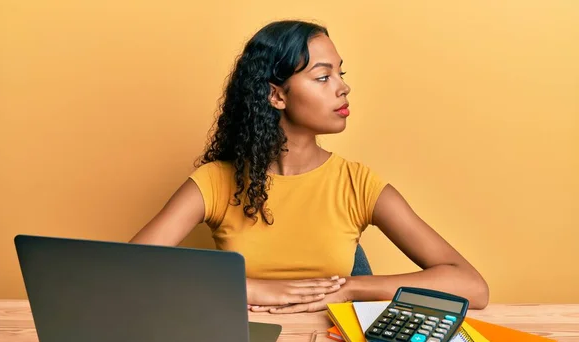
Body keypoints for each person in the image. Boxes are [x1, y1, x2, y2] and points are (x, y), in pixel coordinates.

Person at [130, 20, 489, 313]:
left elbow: (471, 287)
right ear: (277, 95)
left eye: (340, 73)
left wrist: (350, 288)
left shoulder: (356, 183)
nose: (343, 87)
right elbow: (126, 270)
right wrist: (250, 289)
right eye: (323, 77)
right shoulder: (216, 182)